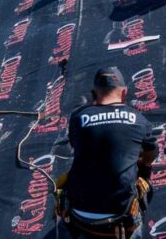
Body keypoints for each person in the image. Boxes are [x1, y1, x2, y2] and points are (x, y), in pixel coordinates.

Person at [59, 67, 157, 239]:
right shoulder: (138, 119)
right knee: (144, 182)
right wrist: (142, 161)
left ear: (93, 93)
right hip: (120, 216)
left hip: (79, 215)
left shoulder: (77, 118)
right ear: (124, 93)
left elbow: (78, 146)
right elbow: (151, 154)